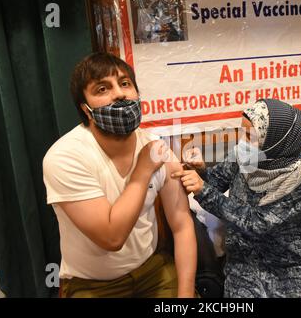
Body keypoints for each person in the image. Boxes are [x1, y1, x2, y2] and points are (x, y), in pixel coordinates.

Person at [42, 52, 196, 298]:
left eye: (125, 83)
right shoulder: (65, 157)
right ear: (87, 109)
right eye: (103, 88)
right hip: (93, 285)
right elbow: (112, 238)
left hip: (152, 270)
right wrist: (143, 171)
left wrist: (186, 295)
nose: (120, 94)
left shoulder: (156, 147)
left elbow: (182, 225)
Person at [172, 99, 301, 298]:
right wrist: (201, 170)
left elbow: (257, 223)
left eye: (249, 135)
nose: (241, 142)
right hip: (244, 257)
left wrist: (203, 190)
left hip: (294, 260)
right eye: (242, 132)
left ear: (274, 140)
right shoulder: (243, 155)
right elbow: (216, 181)